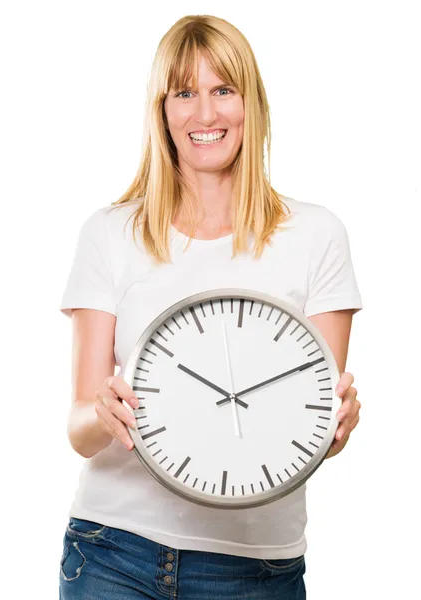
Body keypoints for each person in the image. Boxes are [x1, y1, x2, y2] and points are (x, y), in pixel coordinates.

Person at [58, 14, 363, 600]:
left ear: (252, 102)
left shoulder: (317, 235)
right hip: (113, 552)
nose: (205, 114)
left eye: (224, 90)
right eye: (185, 93)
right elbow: (79, 429)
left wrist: (341, 424)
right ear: (162, 110)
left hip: (255, 571)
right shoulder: (109, 233)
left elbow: (311, 424)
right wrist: (101, 411)